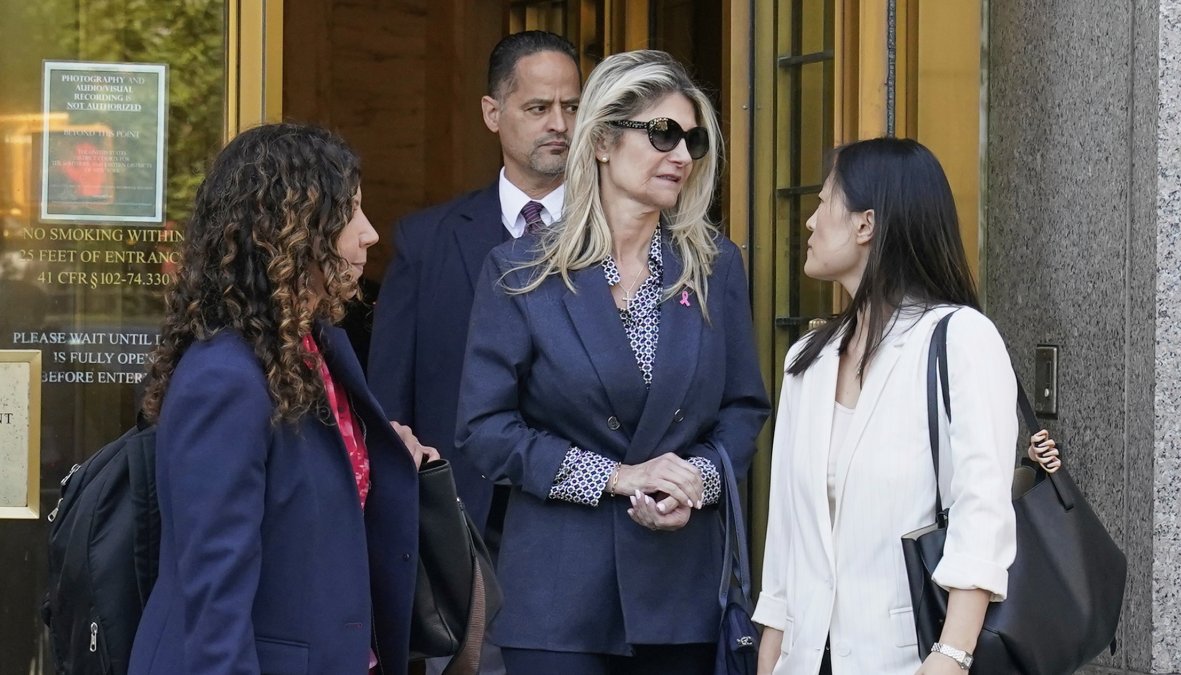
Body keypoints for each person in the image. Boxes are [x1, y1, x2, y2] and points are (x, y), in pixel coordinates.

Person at [456, 49, 770, 675]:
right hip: (559, 598)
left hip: (680, 592)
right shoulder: (521, 270)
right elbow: (485, 429)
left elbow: (742, 409)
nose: (681, 156)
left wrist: (695, 482)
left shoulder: (714, 265)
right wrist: (615, 477)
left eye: (692, 141)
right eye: (663, 134)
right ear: (601, 141)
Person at [130, 123, 434, 674]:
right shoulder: (224, 377)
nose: (370, 233)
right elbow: (214, 591)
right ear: (287, 231)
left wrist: (386, 457)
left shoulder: (315, 346)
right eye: (349, 213)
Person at [753, 137, 1061, 675]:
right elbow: (785, 537)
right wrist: (771, 657)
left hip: (911, 659)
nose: (810, 221)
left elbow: (980, 512)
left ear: (865, 224)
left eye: (824, 202)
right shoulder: (807, 360)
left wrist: (951, 656)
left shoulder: (959, 338)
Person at [368, 30, 582, 540]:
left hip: (583, 521)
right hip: (461, 522)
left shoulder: (618, 238)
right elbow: (389, 407)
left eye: (572, 107)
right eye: (538, 108)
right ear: (492, 113)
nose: (559, 124)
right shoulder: (425, 242)